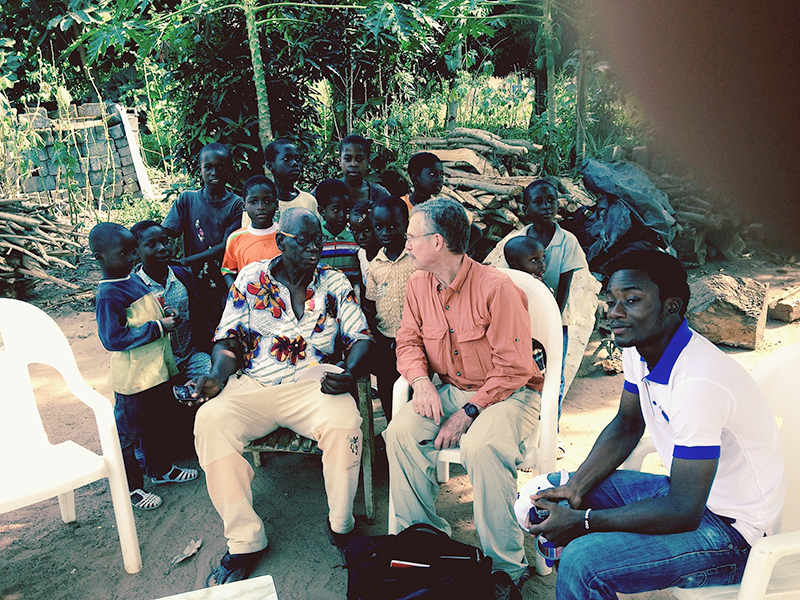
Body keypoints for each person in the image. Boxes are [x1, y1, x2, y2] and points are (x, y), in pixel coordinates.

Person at [528, 249, 785, 600]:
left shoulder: (699, 383)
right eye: (612, 300)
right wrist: (577, 490)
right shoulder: (639, 349)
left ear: (671, 307)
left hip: (734, 534)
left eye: (632, 300)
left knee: (582, 561)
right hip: (690, 496)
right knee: (537, 496)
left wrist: (585, 521)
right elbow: (626, 425)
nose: (615, 312)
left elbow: (683, 512)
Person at [189, 207, 373, 587]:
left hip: (312, 385)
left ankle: (341, 525)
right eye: (303, 240)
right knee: (209, 421)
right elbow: (228, 339)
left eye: (318, 240)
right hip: (253, 385)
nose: (314, 247)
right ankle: (244, 541)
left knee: (344, 424)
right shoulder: (250, 277)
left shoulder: (334, 282)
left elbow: (360, 336)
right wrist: (215, 376)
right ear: (281, 241)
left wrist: (351, 374)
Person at [384, 198, 544, 590]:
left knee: (482, 448)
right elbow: (407, 341)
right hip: (450, 389)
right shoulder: (418, 284)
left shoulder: (497, 288)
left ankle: (507, 569)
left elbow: (513, 367)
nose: (405, 243)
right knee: (400, 433)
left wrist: (467, 412)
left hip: (509, 394)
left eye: (412, 236)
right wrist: (420, 382)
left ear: (437, 242)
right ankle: (423, 544)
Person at [89, 223, 198, 512]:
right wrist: (158, 327)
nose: (130, 258)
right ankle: (131, 489)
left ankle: (159, 470)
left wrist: (167, 314)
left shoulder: (132, 279)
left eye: (131, 252)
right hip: (133, 380)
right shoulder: (109, 294)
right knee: (128, 435)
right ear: (100, 258)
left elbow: (151, 309)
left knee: (155, 427)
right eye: (122, 253)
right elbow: (113, 338)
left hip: (155, 372)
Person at [485, 179, 600, 451]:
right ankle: (522, 435)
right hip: (520, 325)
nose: (546, 207)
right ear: (526, 208)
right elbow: (506, 281)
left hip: (554, 322)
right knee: (520, 376)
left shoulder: (567, 242)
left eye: (551, 200)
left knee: (553, 381)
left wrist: (549, 326)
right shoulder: (515, 242)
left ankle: (550, 435)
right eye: (538, 202)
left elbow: (564, 291)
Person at [162, 142, 244, 325]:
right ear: (200, 169)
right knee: (199, 329)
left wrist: (185, 262)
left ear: (229, 170)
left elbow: (226, 245)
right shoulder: (187, 199)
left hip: (225, 282)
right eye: (208, 167)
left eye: (221, 168)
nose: (214, 173)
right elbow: (167, 232)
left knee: (225, 327)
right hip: (193, 283)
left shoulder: (237, 205)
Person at [132, 220, 213, 380]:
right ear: (136, 252)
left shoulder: (182, 275)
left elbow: (200, 313)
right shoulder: (134, 287)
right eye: (151, 245)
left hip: (191, 356)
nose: (162, 248)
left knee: (214, 377)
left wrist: (211, 344)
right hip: (156, 365)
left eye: (165, 242)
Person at [364, 195, 414, 422]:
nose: (385, 233)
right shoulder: (375, 266)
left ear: (406, 224)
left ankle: (412, 429)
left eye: (393, 226)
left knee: (413, 386)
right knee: (387, 385)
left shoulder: (417, 259)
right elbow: (371, 305)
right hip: (386, 340)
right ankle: (393, 428)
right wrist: (377, 339)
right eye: (379, 227)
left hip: (416, 339)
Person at [241, 139, 317, 228]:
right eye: (286, 159)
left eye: (297, 159)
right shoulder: (257, 202)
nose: (294, 163)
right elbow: (249, 234)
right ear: (270, 166)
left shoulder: (308, 201)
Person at [221, 175, 281, 290]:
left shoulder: (284, 235)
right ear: (244, 206)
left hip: (282, 301)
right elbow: (228, 271)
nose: (261, 207)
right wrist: (235, 292)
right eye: (253, 202)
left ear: (276, 204)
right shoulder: (235, 238)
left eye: (267, 201)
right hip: (249, 302)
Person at [504, 236, 548, 376]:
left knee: (537, 379)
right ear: (515, 266)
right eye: (534, 260)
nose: (542, 264)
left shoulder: (540, 284)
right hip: (516, 345)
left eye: (543, 258)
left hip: (536, 343)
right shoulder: (508, 287)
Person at [316, 178, 361, 287]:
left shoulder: (356, 237)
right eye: (336, 210)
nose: (343, 214)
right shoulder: (316, 239)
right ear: (322, 211)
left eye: (347, 209)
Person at [337, 134, 390, 205]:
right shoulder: (326, 191)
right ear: (340, 161)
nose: (353, 164)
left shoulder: (380, 194)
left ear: (367, 162)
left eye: (359, 159)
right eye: (348, 159)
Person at [349, 199, 381, 287]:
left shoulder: (386, 255)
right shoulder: (361, 253)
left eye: (367, 230)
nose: (362, 237)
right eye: (355, 231)